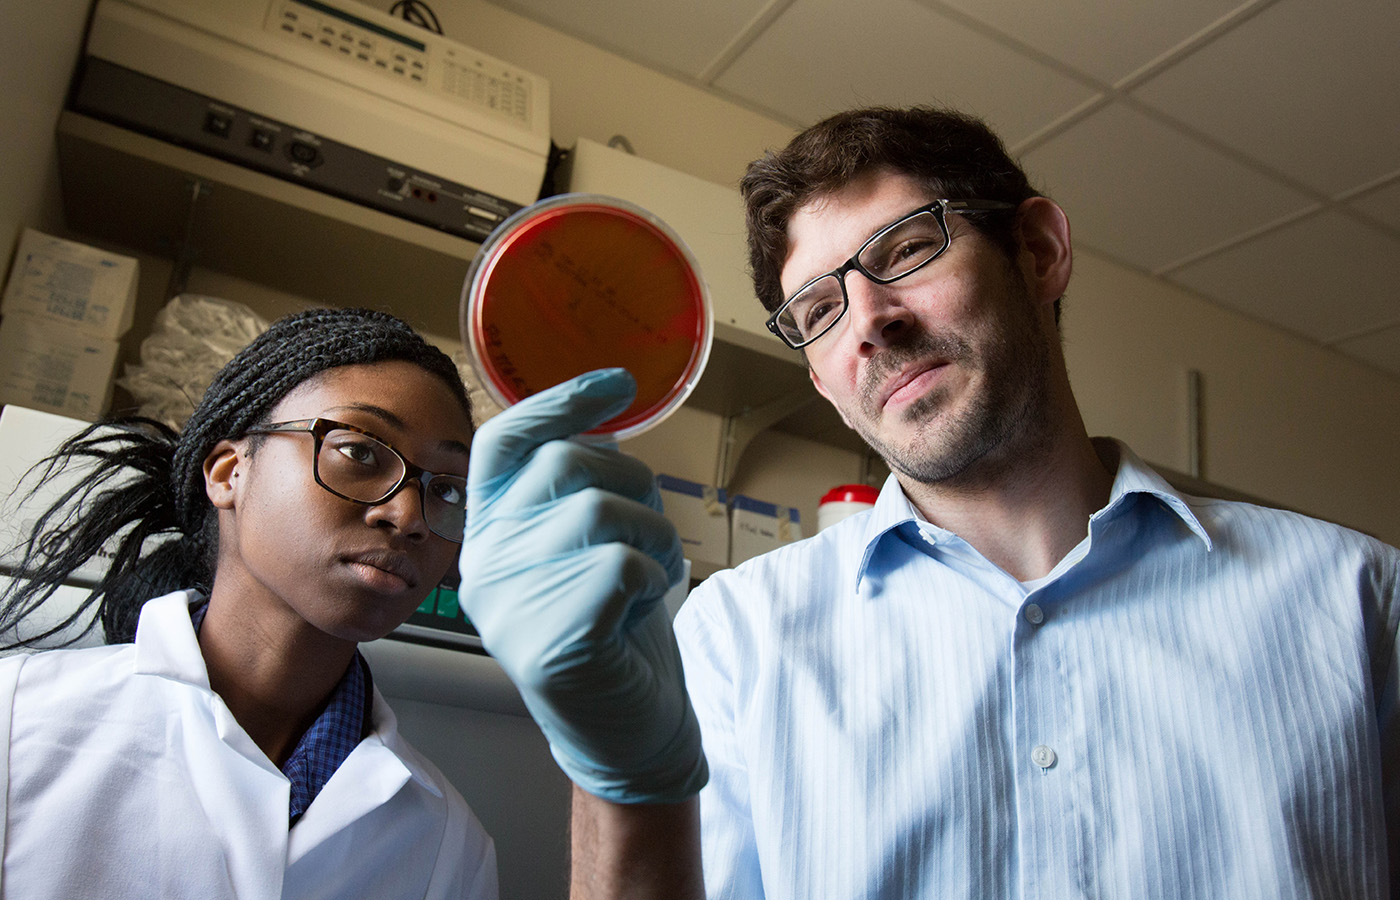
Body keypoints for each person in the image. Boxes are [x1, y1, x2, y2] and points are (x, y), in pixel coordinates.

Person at [460, 104, 1400, 899]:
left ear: (1037, 251)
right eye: (819, 312)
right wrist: (619, 786)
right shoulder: (733, 638)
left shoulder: (1361, 602)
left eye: (906, 250)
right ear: (824, 380)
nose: (870, 321)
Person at [0, 307, 496, 899]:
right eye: (361, 453)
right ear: (229, 472)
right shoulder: (18, 718)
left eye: (447, 489)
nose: (408, 515)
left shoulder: (451, 846)